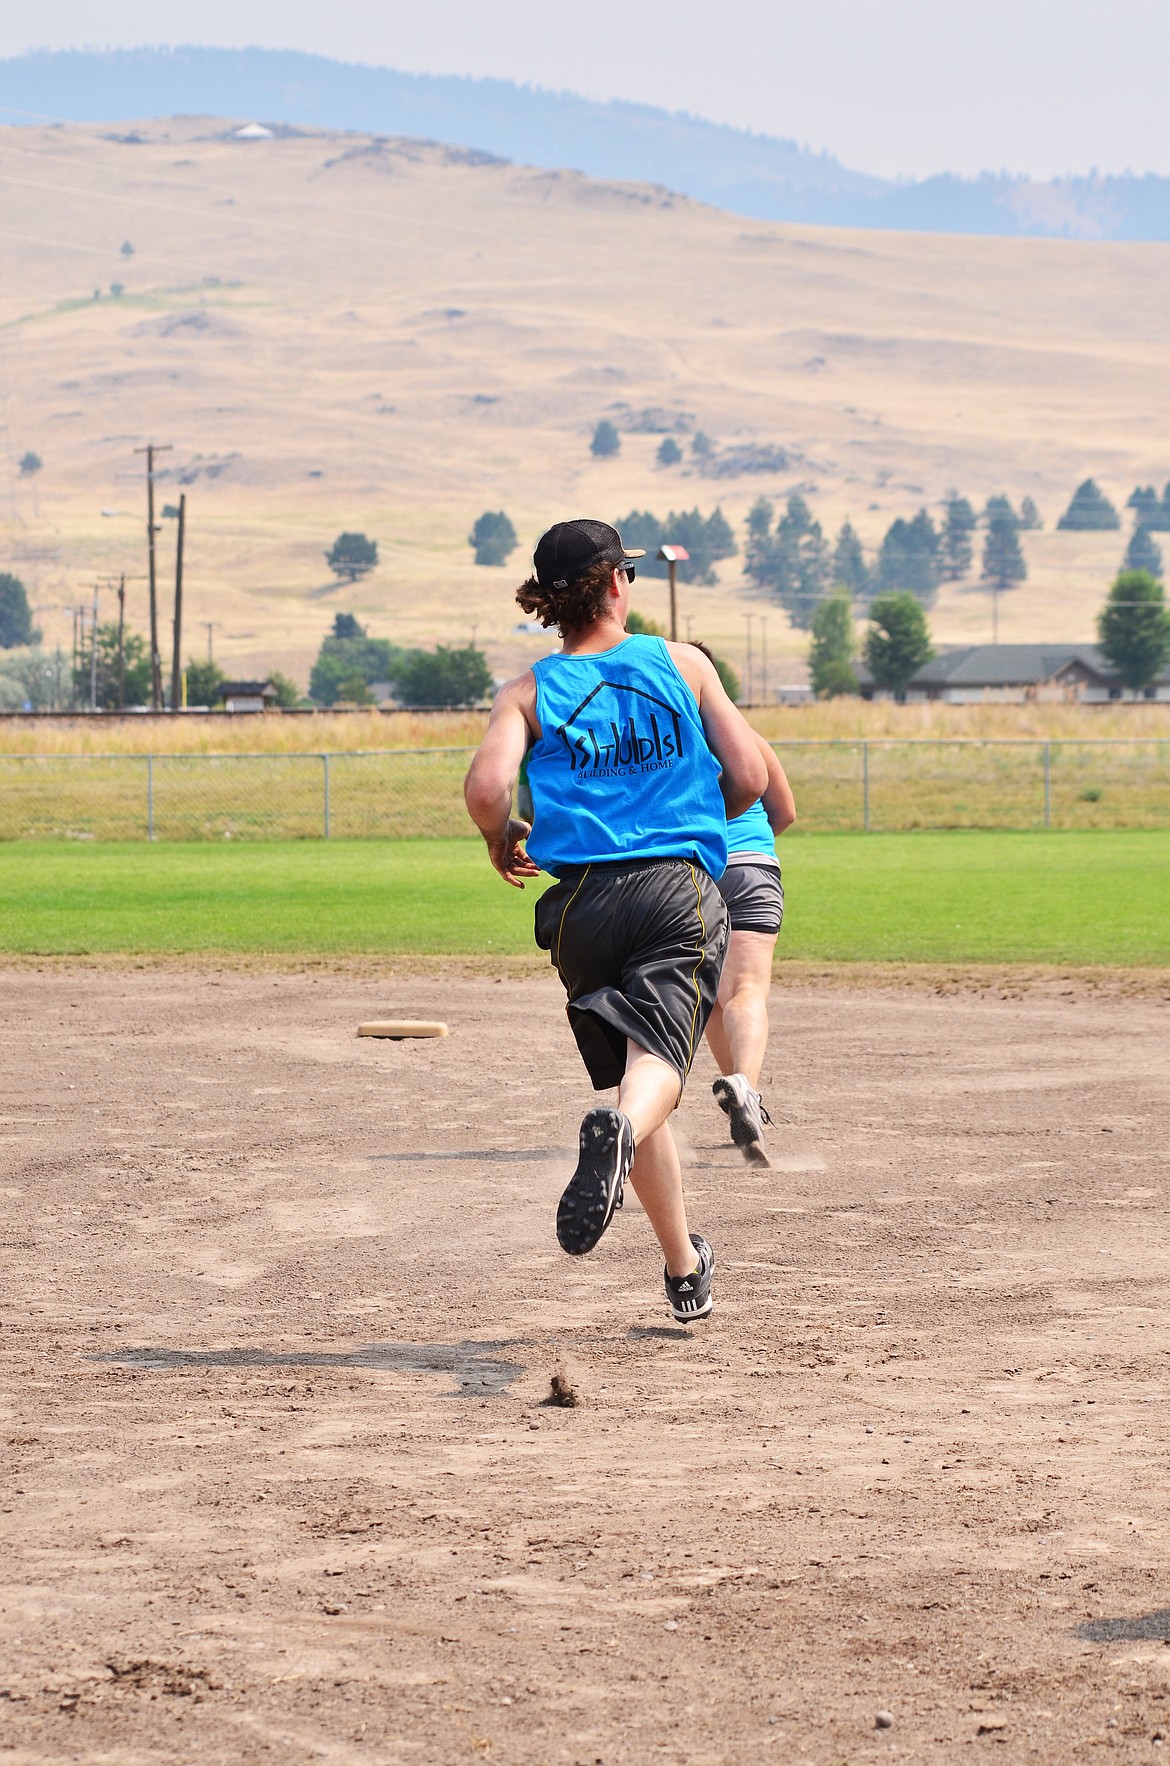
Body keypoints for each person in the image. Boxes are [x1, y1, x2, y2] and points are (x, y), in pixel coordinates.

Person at [464, 519, 766, 1321]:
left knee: (633, 1075)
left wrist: (501, 838)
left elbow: (488, 790)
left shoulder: (528, 690)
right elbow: (751, 774)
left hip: (581, 908)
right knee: (654, 1075)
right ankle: (619, 1131)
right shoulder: (680, 662)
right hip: (673, 891)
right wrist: (697, 819)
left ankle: (682, 1264)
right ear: (617, 583)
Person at [688, 644, 796, 1166]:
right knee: (747, 989)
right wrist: (752, 851)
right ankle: (744, 1088)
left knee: (709, 996)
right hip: (753, 866)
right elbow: (785, 811)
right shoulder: (746, 737)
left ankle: (744, 1095)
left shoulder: (666, 740)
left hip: (689, 873)